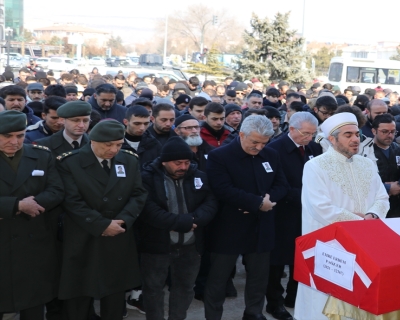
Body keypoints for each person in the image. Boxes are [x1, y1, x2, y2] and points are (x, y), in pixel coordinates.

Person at [295, 113, 389, 320]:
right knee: (323, 301)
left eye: (357, 134)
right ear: (332, 139)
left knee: (360, 294)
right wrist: (360, 222)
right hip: (329, 246)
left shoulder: (367, 164)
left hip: (365, 243)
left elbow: (382, 197)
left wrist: (372, 215)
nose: (355, 139)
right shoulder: (315, 166)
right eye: (348, 135)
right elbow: (320, 208)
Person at [56, 120, 147, 320]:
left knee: (114, 293)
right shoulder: (70, 162)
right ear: (93, 141)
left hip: (118, 234)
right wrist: (102, 224)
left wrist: (122, 220)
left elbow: (139, 194)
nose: (113, 149)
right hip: (83, 235)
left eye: (118, 144)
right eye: (108, 145)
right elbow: (72, 201)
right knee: (79, 292)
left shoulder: (129, 160)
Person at [204, 116, 289, 320]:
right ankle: (213, 316)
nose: (259, 147)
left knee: (259, 278)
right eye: (254, 142)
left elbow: (281, 185)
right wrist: (257, 203)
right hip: (228, 228)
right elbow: (223, 189)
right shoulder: (219, 156)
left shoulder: (271, 154)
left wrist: (266, 201)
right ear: (241, 134)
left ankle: (254, 313)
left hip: (262, 227)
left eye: (264, 143)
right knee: (218, 279)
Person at [139, 137, 218, 320]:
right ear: (164, 161)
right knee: (153, 289)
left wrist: (195, 220)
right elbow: (148, 210)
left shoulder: (199, 176)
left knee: (184, 288)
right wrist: (182, 223)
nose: (183, 167)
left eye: (187, 162)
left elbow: (211, 203)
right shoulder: (147, 178)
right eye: (178, 163)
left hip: (190, 246)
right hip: (156, 247)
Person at [0, 111, 64, 320]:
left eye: (19, 136)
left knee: (33, 305)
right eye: (7, 136)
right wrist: (17, 205)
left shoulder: (41, 155)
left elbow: (56, 191)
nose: (14, 142)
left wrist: (32, 205)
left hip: (34, 244)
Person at [265, 112, 322, 318]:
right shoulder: (275, 149)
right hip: (282, 213)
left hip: (307, 213)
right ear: (291, 129)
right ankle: (274, 302)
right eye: (305, 133)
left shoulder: (314, 148)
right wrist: (305, 196)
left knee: (302, 257)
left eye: (313, 134)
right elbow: (275, 184)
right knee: (278, 260)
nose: (309, 138)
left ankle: (294, 295)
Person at [368, 113, 400, 217]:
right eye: (384, 132)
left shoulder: (396, 148)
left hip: (397, 204)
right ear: (374, 131)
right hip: (375, 206)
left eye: (393, 132)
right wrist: (387, 188)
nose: (390, 135)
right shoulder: (366, 151)